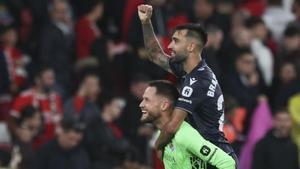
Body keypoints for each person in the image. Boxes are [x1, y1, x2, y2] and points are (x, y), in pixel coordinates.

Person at [137, 4, 237, 167]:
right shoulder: (189, 70)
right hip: (200, 154)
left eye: (175, 41)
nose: (169, 46)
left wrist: (158, 145)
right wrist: (146, 22)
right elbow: (155, 55)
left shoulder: (197, 82)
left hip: (215, 156)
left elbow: (172, 126)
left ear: (191, 47)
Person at [139, 80, 236, 169]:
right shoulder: (164, 135)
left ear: (164, 105)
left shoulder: (184, 135)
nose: (141, 104)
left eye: (147, 100)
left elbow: (227, 163)